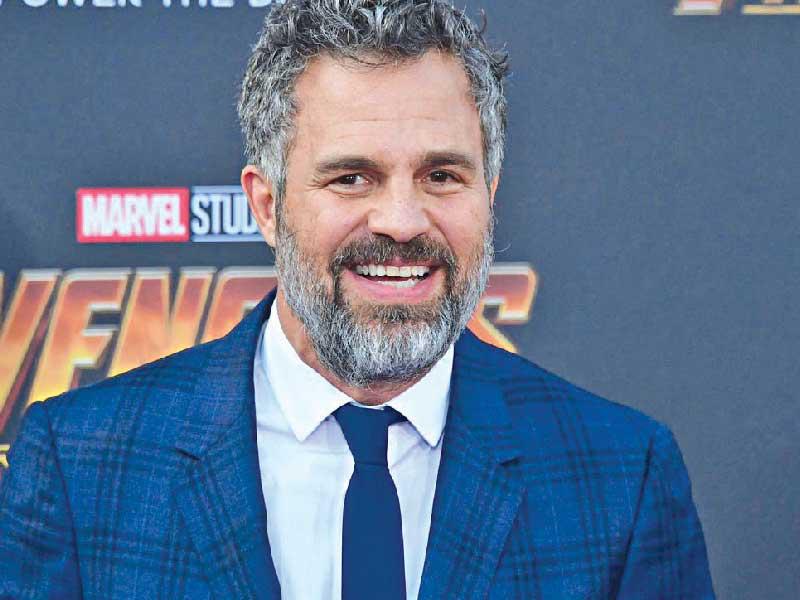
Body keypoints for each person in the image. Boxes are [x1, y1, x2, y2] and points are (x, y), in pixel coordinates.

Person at [0, 1, 715, 598]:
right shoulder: (80, 464)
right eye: (351, 178)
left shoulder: (621, 475)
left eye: (441, 176)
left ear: (489, 197)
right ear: (267, 206)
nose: (401, 221)